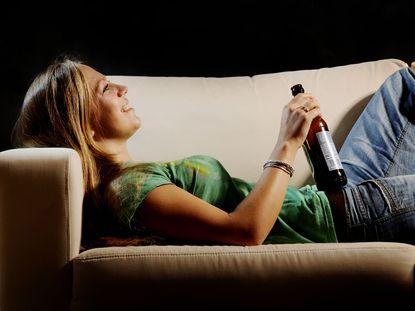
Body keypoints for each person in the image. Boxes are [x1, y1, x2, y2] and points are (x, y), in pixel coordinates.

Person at [12, 55, 415, 249]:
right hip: (346, 219)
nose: (123, 89)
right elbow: (245, 232)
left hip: (335, 194)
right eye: (106, 89)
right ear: (80, 123)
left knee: (404, 83)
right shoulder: (128, 188)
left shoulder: (130, 182)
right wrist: (287, 142)